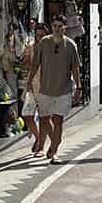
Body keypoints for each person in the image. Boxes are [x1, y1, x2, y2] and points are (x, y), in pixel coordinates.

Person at [26, 13, 81, 163]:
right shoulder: (44, 43)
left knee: (58, 121)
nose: (57, 29)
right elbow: (35, 64)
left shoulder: (71, 45)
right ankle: (55, 141)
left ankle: (54, 151)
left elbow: (75, 68)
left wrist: (79, 88)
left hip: (63, 89)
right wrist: (29, 81)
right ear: (51, 27)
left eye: (60, 27)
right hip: (45, 88)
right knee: (44, 120)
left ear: (65, 28)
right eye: (55, 26)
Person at [21, 20, 50, 156]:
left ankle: (41, 148)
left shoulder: (52, 48)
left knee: (45, 118)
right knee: (27, 115)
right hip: (32, 85)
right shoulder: (31, 46)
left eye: (42, 35)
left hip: (46, 86)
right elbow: (26, 63)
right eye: (38, 35)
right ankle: (38, 138)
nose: (40, 37)